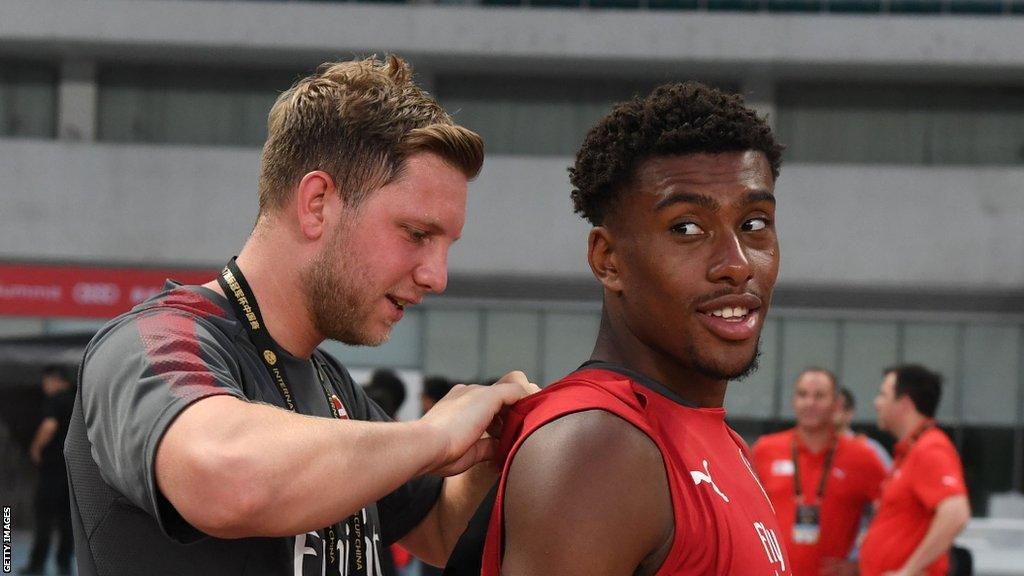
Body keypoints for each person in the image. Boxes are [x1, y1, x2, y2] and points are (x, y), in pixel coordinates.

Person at [64, 55, 536, 576]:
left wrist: (506, 438)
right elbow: (225, 476)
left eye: (447, 245)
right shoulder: (152, 340)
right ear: (316, 204)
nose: (436, 276)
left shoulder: (330, 381)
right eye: (417, 235)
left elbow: (444, 532)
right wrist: (433, 437)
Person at [476, 81, 791, 575]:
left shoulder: (722, 442)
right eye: (686, 228)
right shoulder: (597, 447)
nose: (736, 264)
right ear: (609, 260)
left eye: (754, 223)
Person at [752, 368, 887, 576]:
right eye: (803, 394)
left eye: (819, 396)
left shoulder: (862, 457)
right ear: (794, 401)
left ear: (837, 405)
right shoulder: (765, 450)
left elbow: (895, 514)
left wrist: (861, 564)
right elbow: (742, 512)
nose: (810, 403)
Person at [859, 365, 970, 576]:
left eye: (883, 395)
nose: (876, 403)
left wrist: (908, 571)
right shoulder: (910, 452)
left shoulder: (930, 448)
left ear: (905, 404)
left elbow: (956, 514)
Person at [21, 365, 75, 575]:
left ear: (56, 380)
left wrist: (36, 447)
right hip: (70, 470)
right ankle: (64, 564)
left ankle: (37, 564)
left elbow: (49, 426)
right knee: (66, 521)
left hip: (52, 470)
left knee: (44, 518)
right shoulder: (75, 402)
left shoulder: (55, 401)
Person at [835, 386, 892, 470]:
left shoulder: (870, 448)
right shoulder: (815, 449)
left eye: (837, 407)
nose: (831, 411)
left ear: (850, 412)